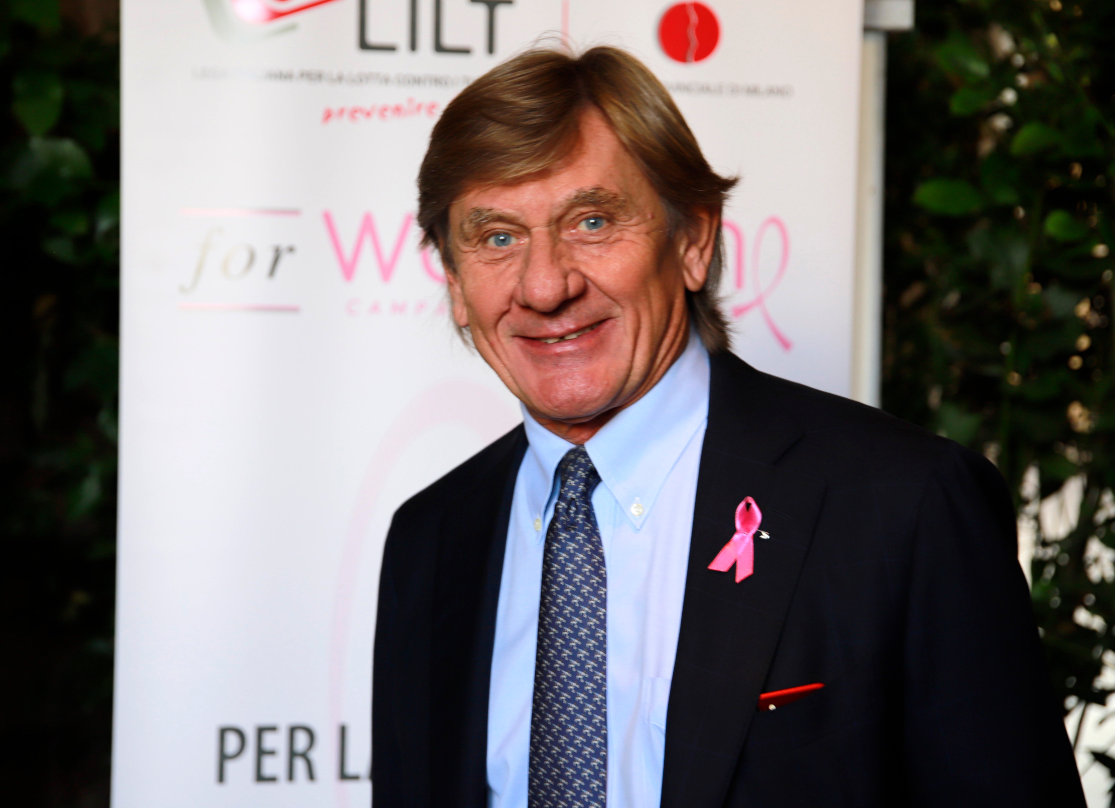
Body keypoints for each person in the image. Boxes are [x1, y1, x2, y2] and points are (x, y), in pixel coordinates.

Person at [370, 46, 1083, 808]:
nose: (545, 286)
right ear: (454, 282)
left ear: (693, 242)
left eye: (592, 221)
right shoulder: (430, 540)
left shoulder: (903, 507)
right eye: (497, 237)